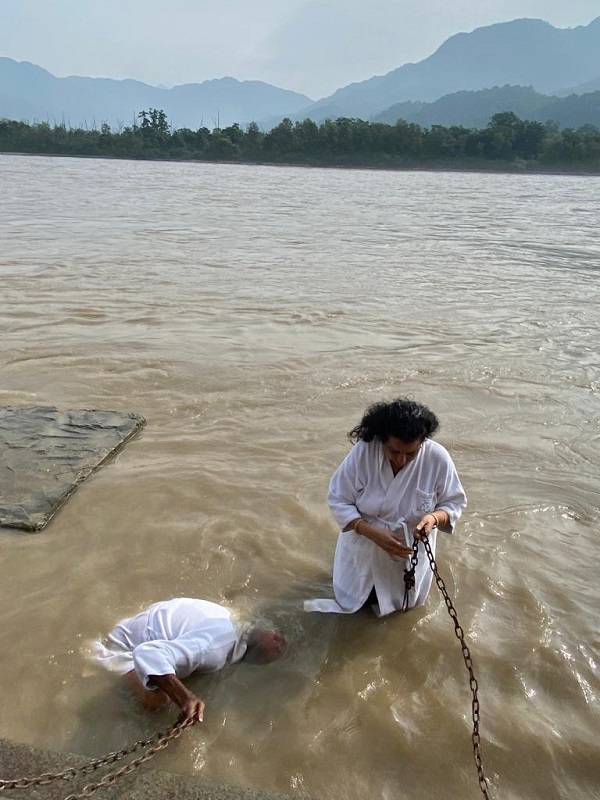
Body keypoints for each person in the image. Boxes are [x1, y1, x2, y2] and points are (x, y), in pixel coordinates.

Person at [304, 398, 467, 617]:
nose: (401, 459)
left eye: (411, 453)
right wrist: (371, 533)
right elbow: (338, 498)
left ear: (422, 442)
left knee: (402, 606)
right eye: (394, 451)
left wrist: (434, 519)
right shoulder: (364, 452)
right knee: (355, 603)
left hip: (409, 551)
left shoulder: (437, 458)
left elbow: (453, 502)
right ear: (382, 440)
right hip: (364, 544)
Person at [91, 597, 287, 721]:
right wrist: (185, 697)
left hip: (142, 622)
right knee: (159, 702)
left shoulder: (231, 617)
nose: (281, 639)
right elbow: (147, 654)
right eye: (278, 637)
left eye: (278, 649)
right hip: (122, 647)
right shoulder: (216, 649)